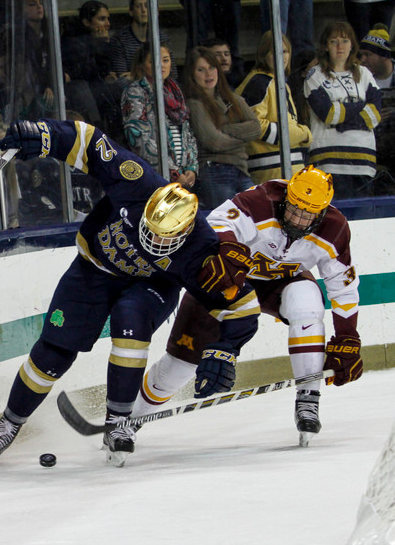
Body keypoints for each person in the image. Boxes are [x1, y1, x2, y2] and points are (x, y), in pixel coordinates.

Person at [0, 119, 259, 466]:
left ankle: (119, 421)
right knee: (53, 353)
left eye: (165, 239)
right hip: (93, 269)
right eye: (149, 230)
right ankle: (9, 422)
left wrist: (227, 349)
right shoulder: (138, 181)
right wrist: (44, 134)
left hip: (151, 286)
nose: (153, 242)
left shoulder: (202, 250)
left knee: (132, 323)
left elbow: (243, 305)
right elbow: (88, 141)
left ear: (185, 233)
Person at [131, 165, 362, 448]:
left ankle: (308, 400)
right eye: (294, 209)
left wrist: (347, 336)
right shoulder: (261, 200)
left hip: (282, 285)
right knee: (179, 366)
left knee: (307, 301)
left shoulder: (336, 229)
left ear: (323, 213)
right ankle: (130, 419)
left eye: (308, 214)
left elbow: (344, 286)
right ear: (287, 197)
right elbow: (216, 222)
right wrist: (228, 247)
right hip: (230, 283)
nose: (299, 218)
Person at [303, 21, 382, 198]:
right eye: (334, 41)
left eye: (345, 41)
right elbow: (329, 115)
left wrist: (343, 120)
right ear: (325, 46)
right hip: (328, 162)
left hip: (363, 160)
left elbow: (374, 116)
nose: (340, 46)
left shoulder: (365, 74)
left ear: (352, 45)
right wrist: (360, 106)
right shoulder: (315, 76)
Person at [183, 46, 259, 208]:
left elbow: (255, 128)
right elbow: (215, 142)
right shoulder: (195, 104)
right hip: (215, 171)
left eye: (211, 68)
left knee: (255, 217)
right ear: (192, 74)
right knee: (226, 225)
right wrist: (241, 139)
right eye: (201, 70)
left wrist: (225, 130)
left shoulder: (232, 98)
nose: (209, 74)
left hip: (241, 169)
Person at [236, 31, 313, 184]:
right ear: (263, 55)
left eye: (284, 51)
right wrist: (302, 134)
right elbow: (254, 126)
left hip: (286, 171)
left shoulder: (277, 82)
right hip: (272, 173)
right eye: (274, 51)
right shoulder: (259, 82)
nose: (281, 56)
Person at [121, 43, 198, 188]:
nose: (161, 65)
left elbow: (188, 134)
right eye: (153, 61)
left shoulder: (175, 92)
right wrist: (172, 171)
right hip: (153, 176)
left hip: (182, 175)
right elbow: (137, 138)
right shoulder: (135, 91)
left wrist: (191, 168)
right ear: (142, 65)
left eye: (166, 60)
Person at [358, 24, 395, 192]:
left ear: (384, 56)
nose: (363, 60)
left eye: (368, 54)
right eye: (362, 55)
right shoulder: (359, 78)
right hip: (375, 145)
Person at [60, 0, 124, 139]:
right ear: (86, 22)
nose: (107, 24)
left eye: (108, 19)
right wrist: (99, 45)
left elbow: (102, 71)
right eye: (101, 19)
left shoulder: (96, 40)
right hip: (79, 94)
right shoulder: (73, 40)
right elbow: (85, 71)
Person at [108, 0, 170, 77]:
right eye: (138, 6)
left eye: (147, 6)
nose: (144, 10)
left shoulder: (162, 38)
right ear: (131, 11)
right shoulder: (119, 40)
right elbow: (122, 78)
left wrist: (135, 75)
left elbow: (172, 75)